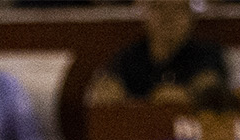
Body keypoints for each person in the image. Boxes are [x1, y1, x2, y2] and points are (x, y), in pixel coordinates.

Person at [86, 0, 226, 108]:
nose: (168, 17)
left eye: (178, 9)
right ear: (146, 13)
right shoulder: (129, 56)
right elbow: (107, 87)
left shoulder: (206, 54)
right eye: (159, 7)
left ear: (190, 16)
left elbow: (210, 88)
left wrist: (189, 97)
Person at [147, 81, 240, 140]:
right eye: (209, 126)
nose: (217, 134)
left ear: (237, 122)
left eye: (225, 126)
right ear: (196, 122)